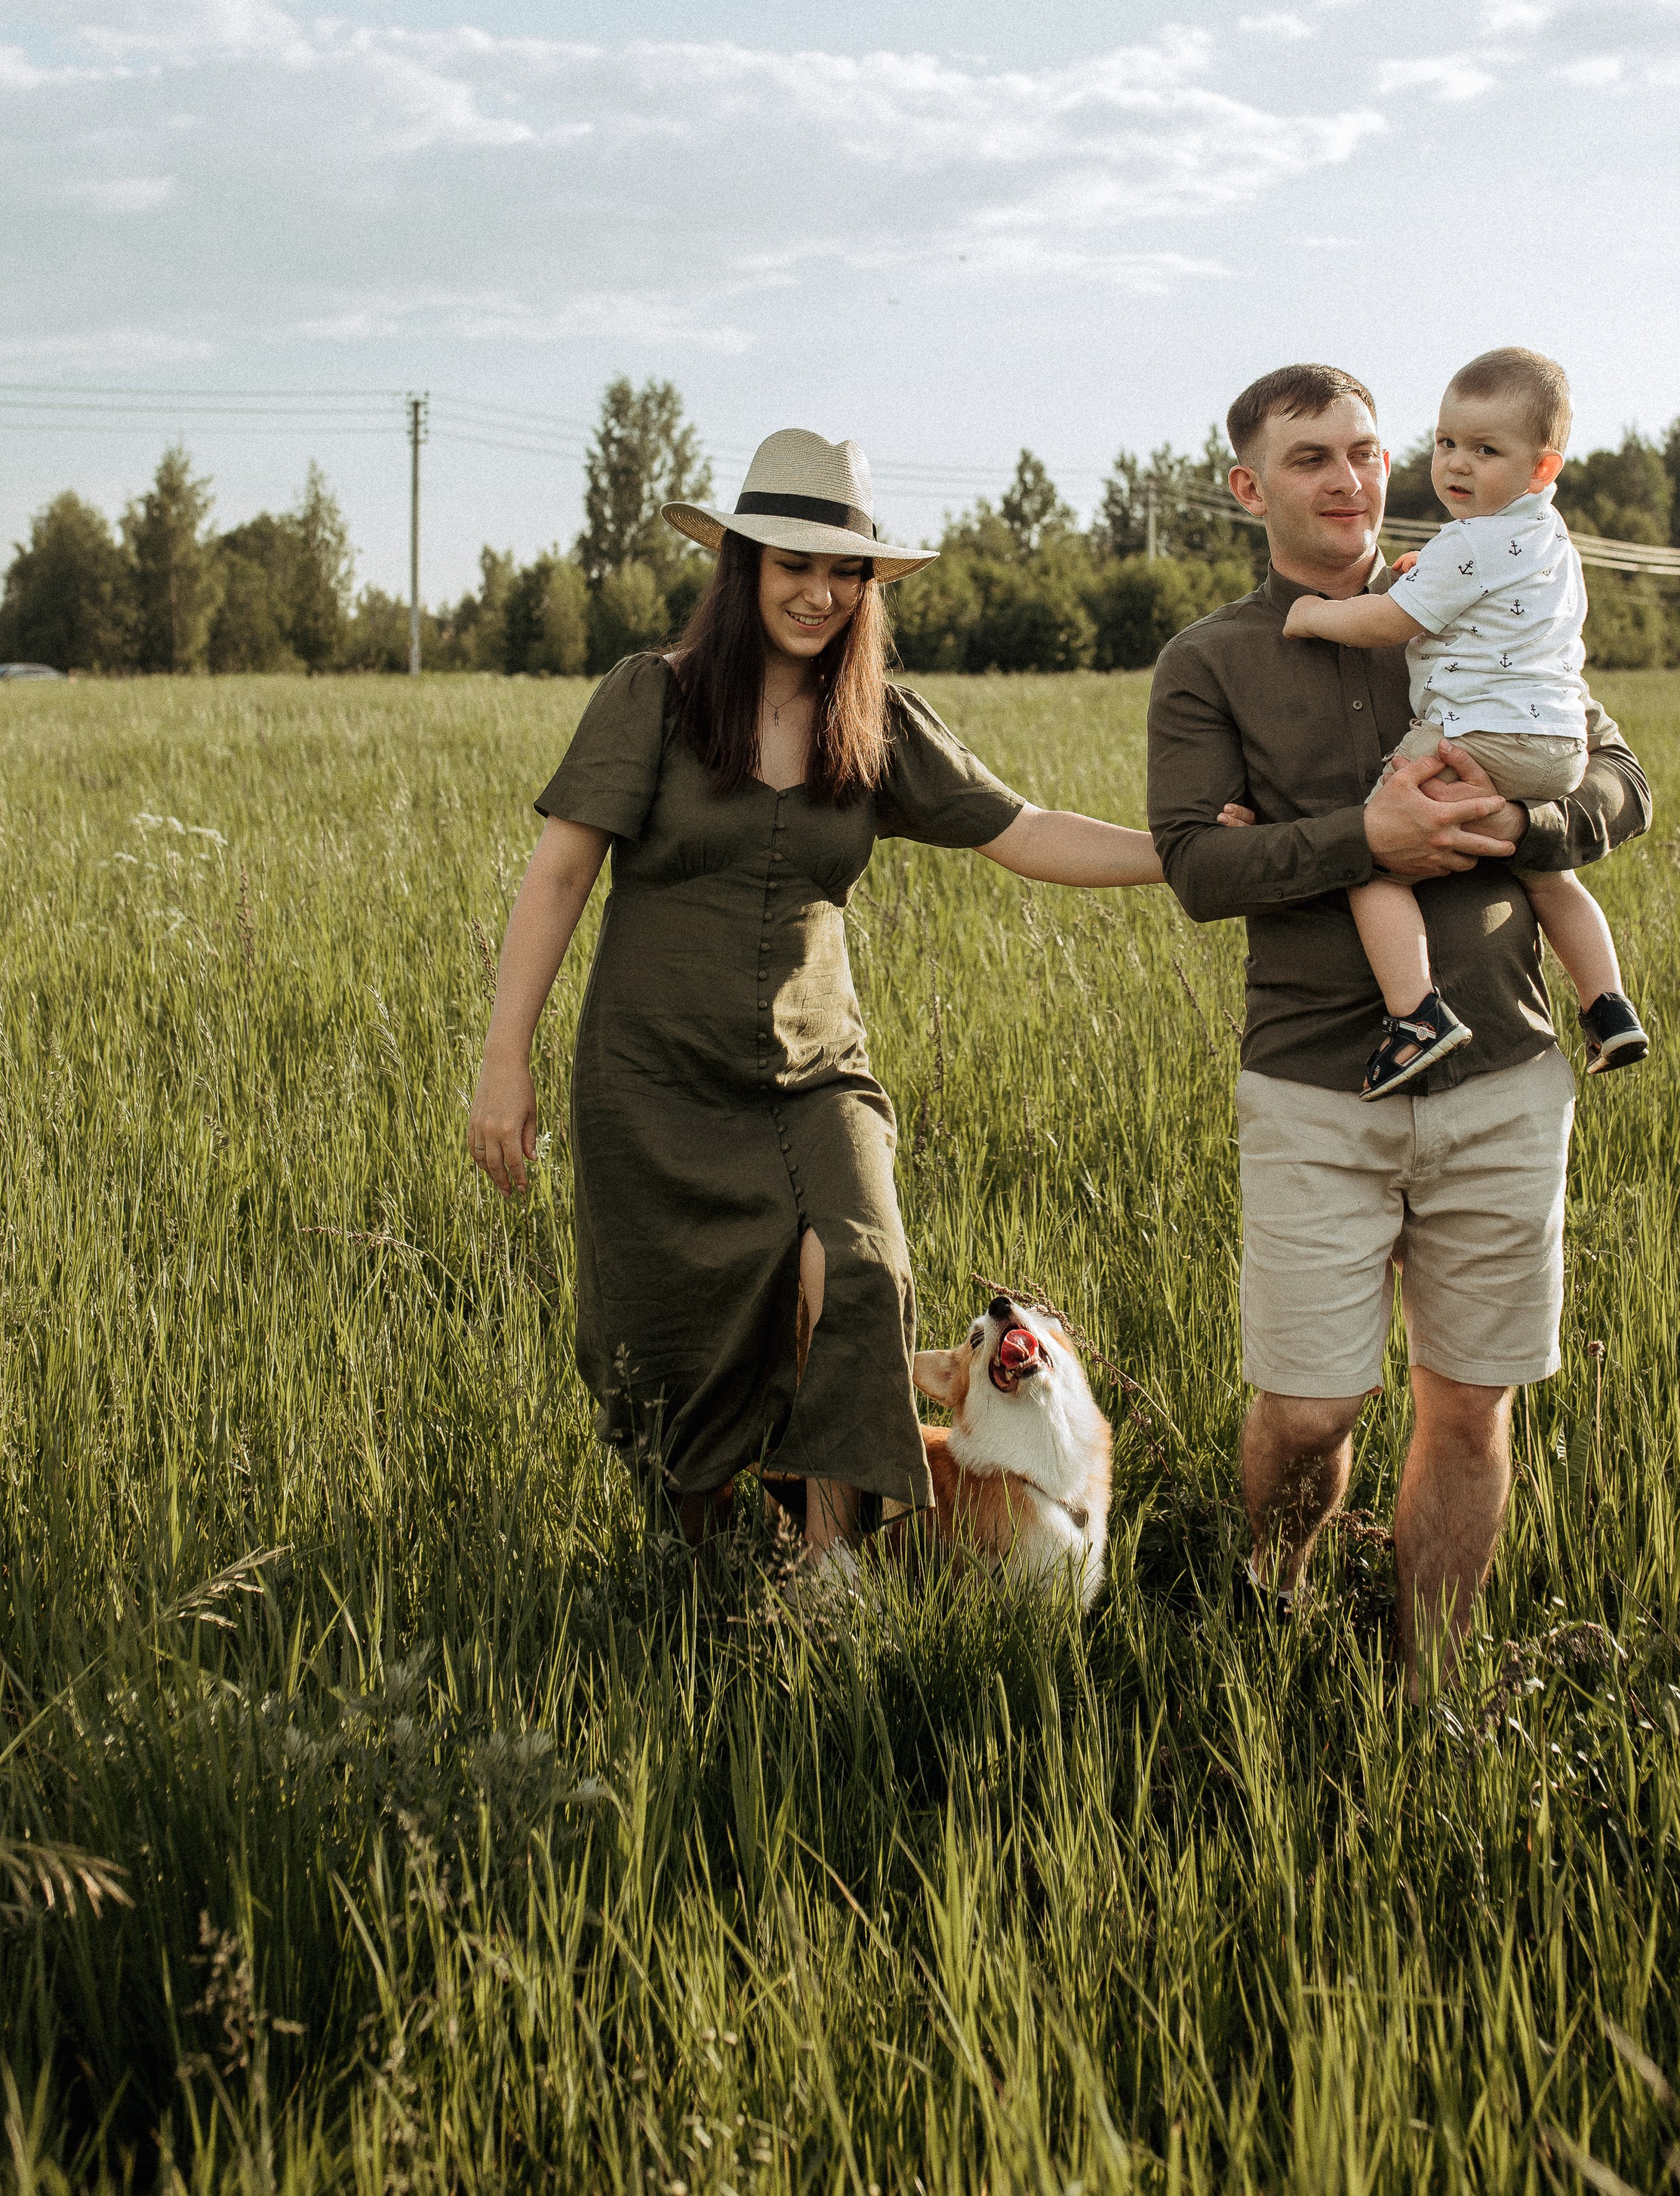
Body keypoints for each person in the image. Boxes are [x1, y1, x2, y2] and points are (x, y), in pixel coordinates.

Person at [467, 428, 1165, 1576]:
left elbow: (1025, 830)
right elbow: (559, 875)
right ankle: (691, 1562)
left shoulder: (875, 718)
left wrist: (1182, 856)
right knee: (677, 1329)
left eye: (846, 571)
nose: (821, 592)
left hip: (814, 1071)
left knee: (862, 1271)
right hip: (654, 1077)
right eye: (795, 565)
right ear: (743, 566)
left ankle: (827, 1574)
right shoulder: (654, 697)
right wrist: (507, 1057)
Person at [1146, 363, 1651, 1689]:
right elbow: (1195, 864)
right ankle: (1274, 1598)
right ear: (1250, 487)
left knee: (1471, 1405)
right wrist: (1358, 837)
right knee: (1313, 1407)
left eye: (1365, 450)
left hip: (1505, 1072)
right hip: (1317, 1083)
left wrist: (1526, 823)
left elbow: (1618, 780)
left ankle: (1430, 1689)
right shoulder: (1211, 661)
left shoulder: (1481, 584)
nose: (1350, 478)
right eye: (1312, 457)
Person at [1280, 346, 1648, 1098]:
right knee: (1548, 872)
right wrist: (1428, 576)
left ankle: (1416, 1015)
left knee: (1371, 853)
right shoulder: (1549, 536)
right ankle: (1607, 1005)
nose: (1456, 463)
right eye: (1446, 441)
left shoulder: (1470, 541)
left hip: (1475, 732)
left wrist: (1315, 615)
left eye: (1485, 450)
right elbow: (1487, 608)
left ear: (1541, 468)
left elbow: (1388, 622)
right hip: (1556, 746)